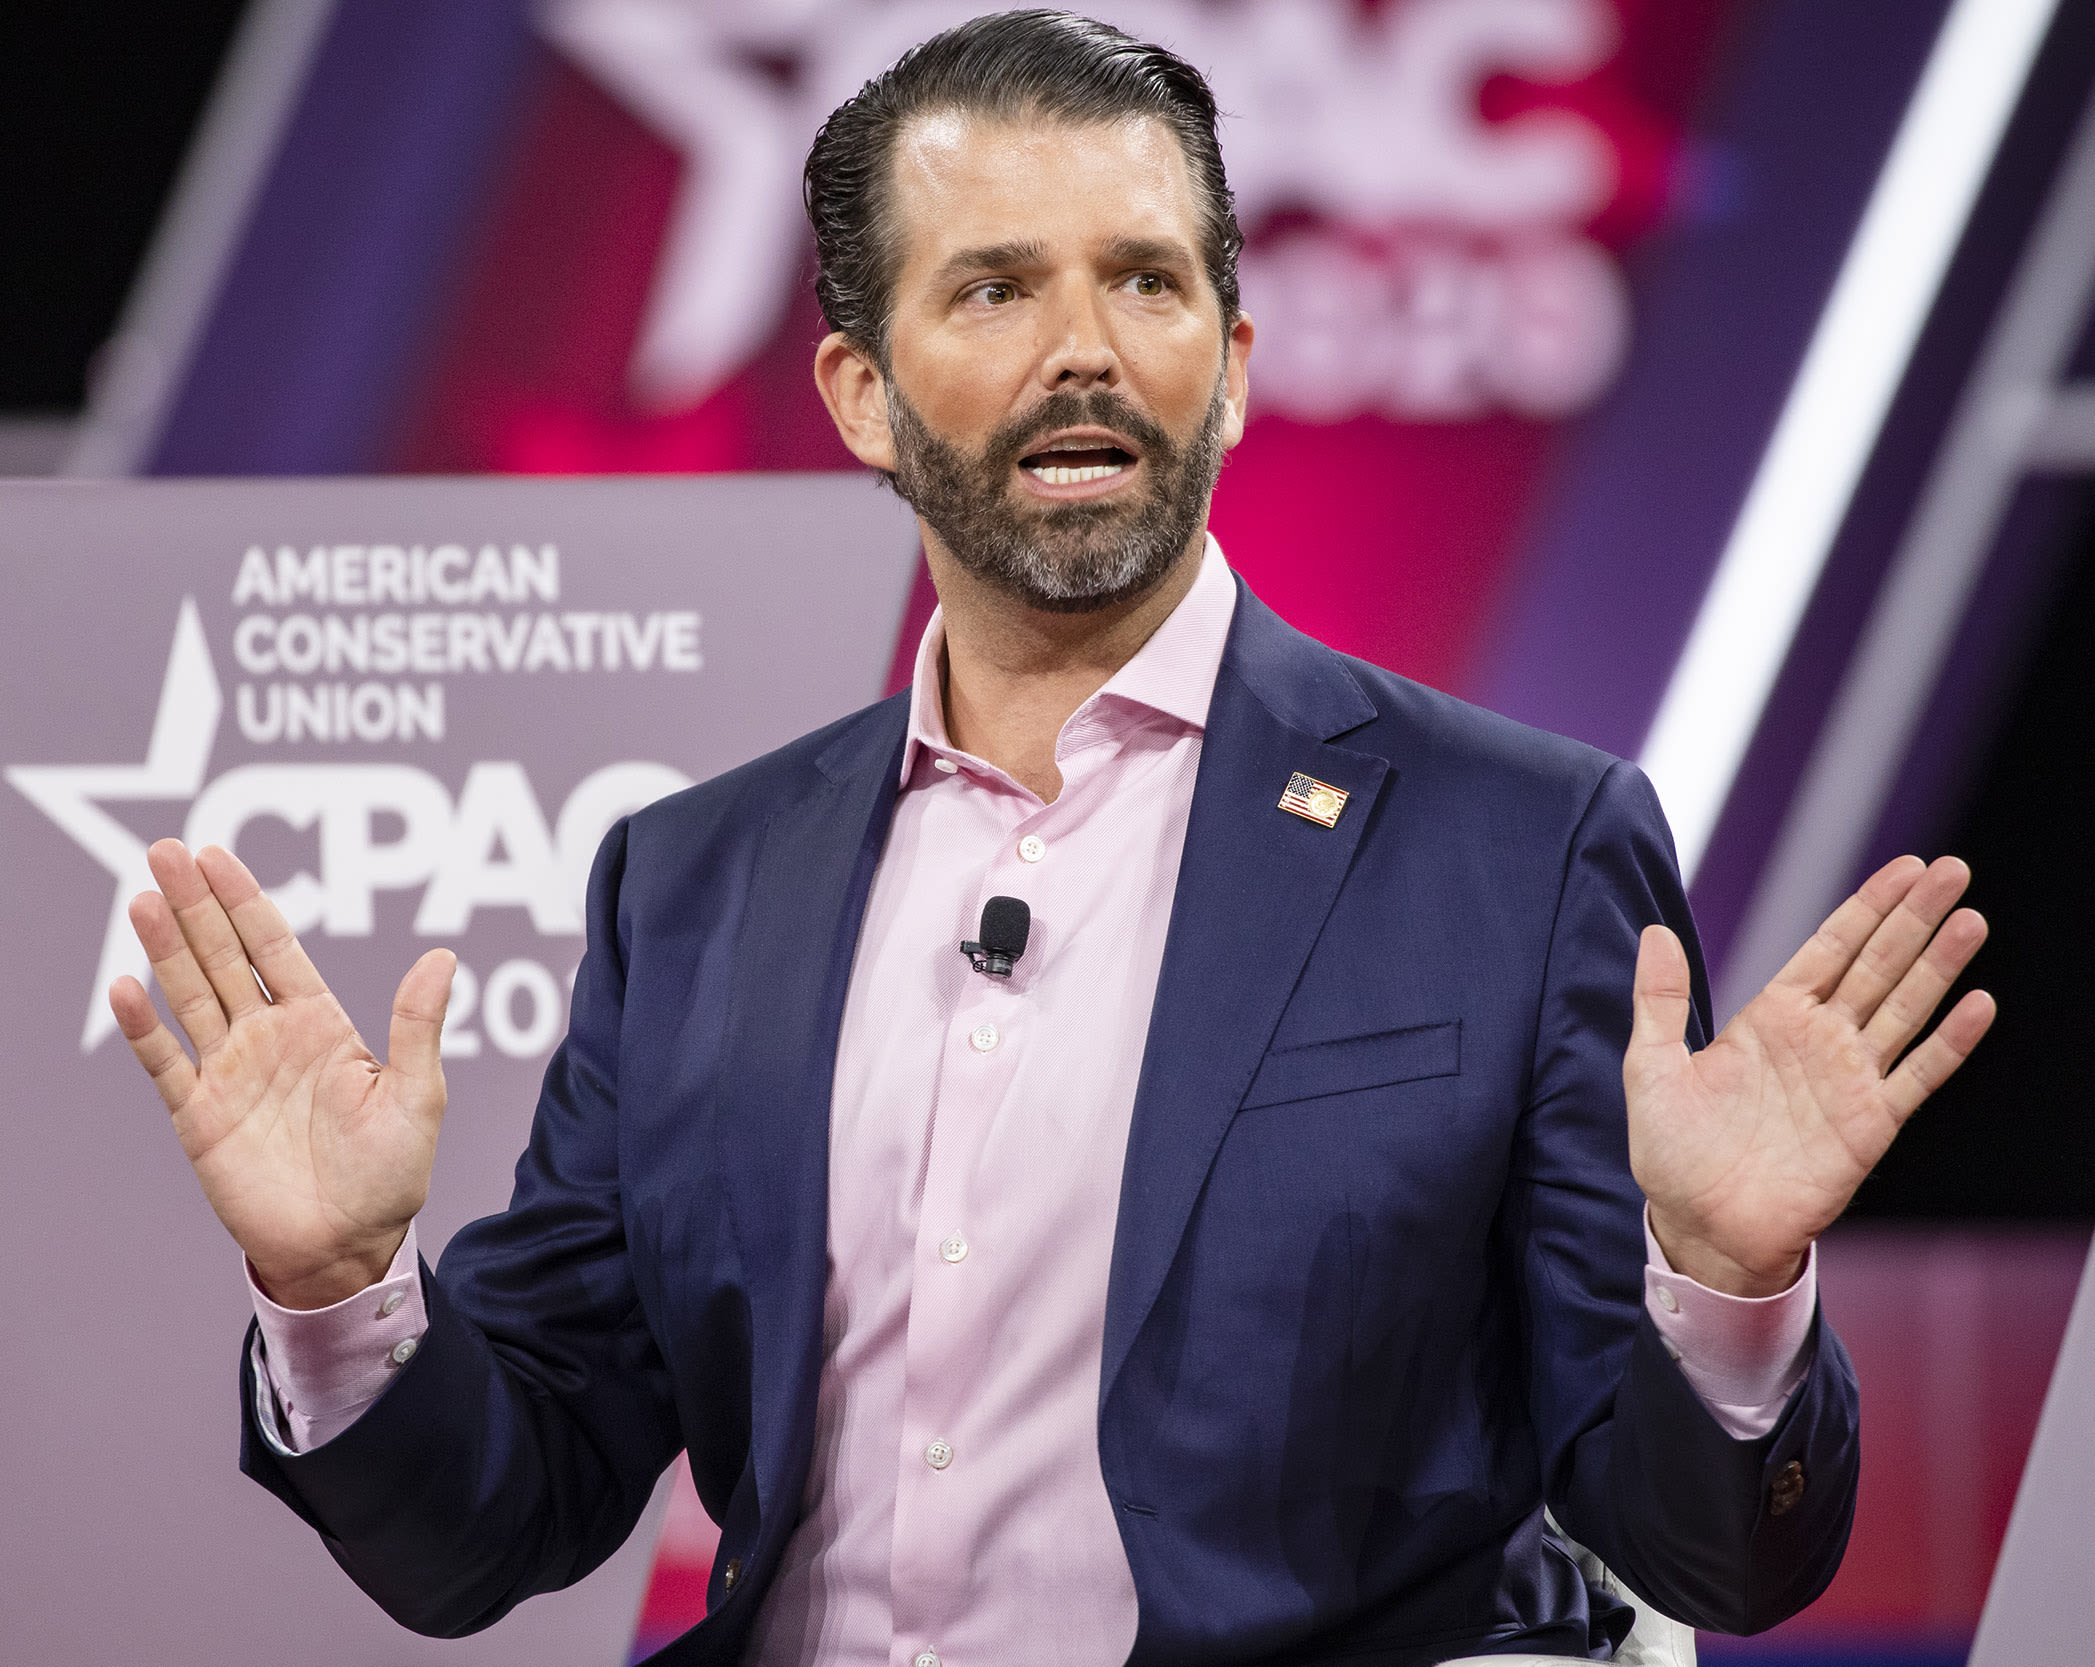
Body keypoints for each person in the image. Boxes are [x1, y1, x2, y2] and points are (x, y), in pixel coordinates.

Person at [110, 13, 1994, 1665]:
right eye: (996, 288)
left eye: (1148, 281)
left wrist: (1729, 1284)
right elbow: (493, 1530)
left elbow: (1706, 1558)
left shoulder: (1515, 847)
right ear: (863, 391)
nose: (1086, 350)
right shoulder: (695, 886)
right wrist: (341, 1291)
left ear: (1236, 365)